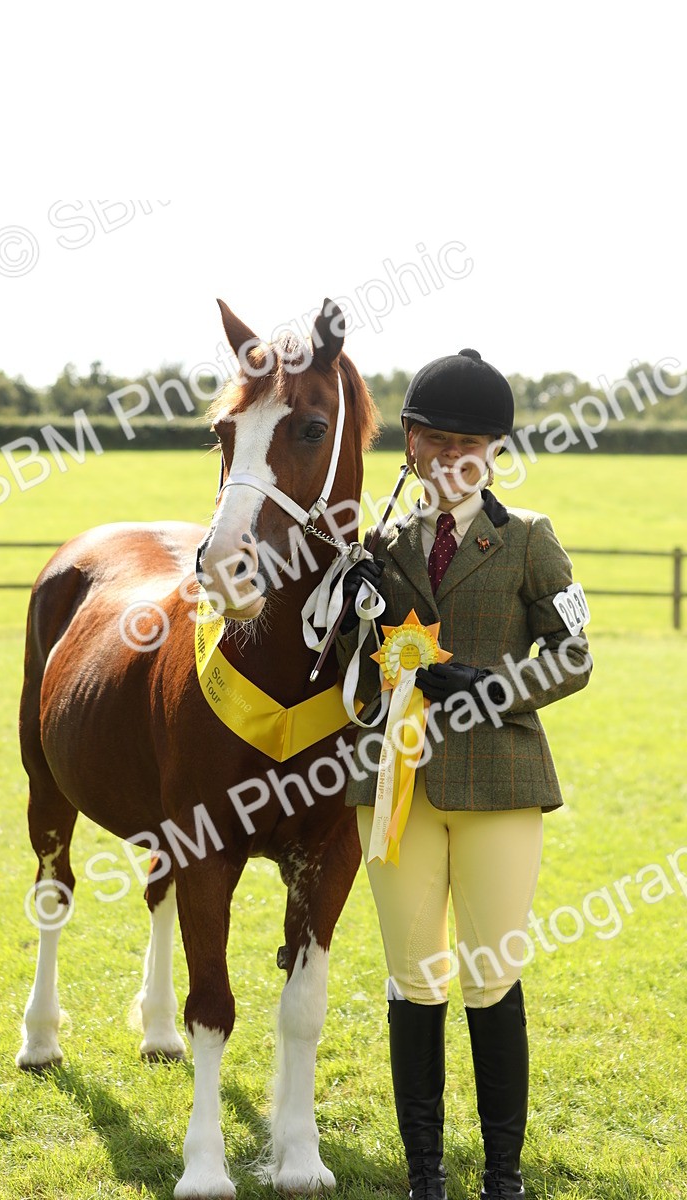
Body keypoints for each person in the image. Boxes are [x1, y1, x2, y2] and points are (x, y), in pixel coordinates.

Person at [335, 349, 592, 1200]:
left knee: (492, 976)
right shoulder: (379, 546)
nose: (452, 460)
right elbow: (359, 679)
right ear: (408, 445)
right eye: (435, 442)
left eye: (469, 444)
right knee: (414, 979)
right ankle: (424, 1175)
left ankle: (506, 1176)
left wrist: (495, 689)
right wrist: (352, 608)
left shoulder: (527, 539)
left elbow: (574, 657)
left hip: (501, 786)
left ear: (494, 451)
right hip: (396, 789)